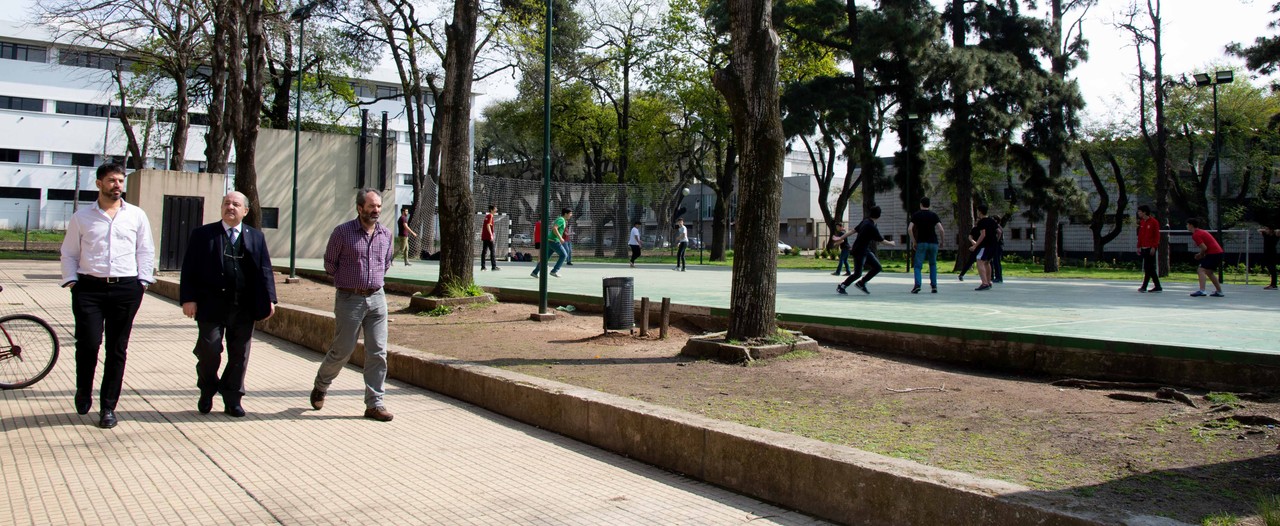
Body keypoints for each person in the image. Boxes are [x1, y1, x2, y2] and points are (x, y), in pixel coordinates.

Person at [60, 163, 155, 429]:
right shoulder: (82, 217)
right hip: (89, 289)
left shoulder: (136, 215)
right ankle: (83, 390)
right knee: (88, 343)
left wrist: (142, 282)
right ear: (99, 183)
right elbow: (68, 253)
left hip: (126, 289)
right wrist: (71, 282)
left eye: (121, 181)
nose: (117, 185)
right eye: (112, 180)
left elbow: (146, 250)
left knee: (117, 348)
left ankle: (108, 407)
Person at [179, 191, 277, 417]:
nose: (230, 207)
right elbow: (189, 268)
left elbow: (265, 270)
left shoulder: (255, 237)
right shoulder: (203, 235)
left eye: (235, 204)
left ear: (245, 211)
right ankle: (207, 388)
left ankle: (233, 398)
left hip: (244, 306)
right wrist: (188, 299)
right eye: (226, 203)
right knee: (209, 350)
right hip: (210, 305)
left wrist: (270, 299)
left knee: (239, 354)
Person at [310, 189, 395, 422]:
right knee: (342, 350)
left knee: (378, 352)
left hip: (377, 299)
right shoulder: (342, 233)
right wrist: (350, 282)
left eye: (378, 206)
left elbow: (386, 262)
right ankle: (321, 384)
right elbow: (330, 264)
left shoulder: (386, 234)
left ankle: (374, 404)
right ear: (360, 208)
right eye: (371, 206)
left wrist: (372, 282)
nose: (376, 210)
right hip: (350, 299)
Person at [836, 206, 895, 295]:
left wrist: (840, 237)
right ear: (879, 216)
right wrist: (891, 243)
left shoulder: (865, 221)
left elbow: (852, 231)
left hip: (865, 250)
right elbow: (882, 240)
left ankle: (861, 283)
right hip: (859, 251)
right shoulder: (871, 226)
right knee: (857, 273)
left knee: (877, 267)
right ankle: (842, 286)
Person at [908, 197, 945, 294]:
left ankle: (917, 285)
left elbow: (909, 229)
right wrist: (942, 241)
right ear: (929, 205)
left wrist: (914, 241)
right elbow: (941, 229)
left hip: (922, 242)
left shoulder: (916, 215)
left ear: (921, 204)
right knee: (933, 264)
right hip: (933, 242)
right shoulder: (934, 215)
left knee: (918, 265)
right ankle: (934, 286)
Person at [1187, 217, 1225, 297]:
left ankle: (1202, 291)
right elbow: (1206, 247)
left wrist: (1200, 255)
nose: (1187, 226)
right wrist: (1201, 254)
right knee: (1209, 272)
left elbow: (1204, 248)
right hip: (1218, 253)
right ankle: (1219, 291)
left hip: (1213, 253)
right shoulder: (1201, 232)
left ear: (1191, 225)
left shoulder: (1196, 234)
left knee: (1201, 270)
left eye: (1187, 224)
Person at [533, 208, 572, 278]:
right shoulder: (561, 220)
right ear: (565, 214)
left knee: (545, 258)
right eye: (570, 213)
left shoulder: (560, 219)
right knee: (564, 255)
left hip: (550, 240)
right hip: (554, 241)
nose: (571, 215)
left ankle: (535, 272)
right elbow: (554, 228)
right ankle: (554, 271)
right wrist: (560, 238)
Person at [970, 204, 999, 291]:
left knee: (979, 261)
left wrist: (975, 245)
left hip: (985, 245)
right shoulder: (992, 221)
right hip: (994, 245)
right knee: (987, 262)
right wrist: (996, 240)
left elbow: (983, 234)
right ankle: (989, 281)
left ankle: (984, 283)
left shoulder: (982, 222)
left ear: (980, 212)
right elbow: (999, 232)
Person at [1136, 205, 1163, 293]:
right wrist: (1139, 246)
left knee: (1149, 267)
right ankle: (1157, 286)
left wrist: (1154, 246)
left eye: (1140, 211)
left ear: (1144, 212)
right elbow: (1140, 235)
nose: (1138, 213)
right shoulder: (1142, 222)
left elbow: (1156, 236)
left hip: (1150, 247)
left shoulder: (1154, 222)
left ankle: (1145, 286)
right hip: (1143, 247)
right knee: (1149, 268)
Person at [480, 205, 500, 271]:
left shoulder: (487, 216)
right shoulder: (490, 216)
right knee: (492, 251)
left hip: (484, 236)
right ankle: (494, 267)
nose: (496, 209)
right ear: (491, 210)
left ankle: (483, 267)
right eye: (495, 208)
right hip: (488, 237)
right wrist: (491, 235)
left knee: (484, 251)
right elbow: (488, 225)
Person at [1260, 224, 1278, 290]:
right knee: (1270, 268)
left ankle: (1273, 285)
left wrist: (1273, 230)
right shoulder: (1265, 235)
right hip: (1266, 254)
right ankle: (1272, 284)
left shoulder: (1275, 235)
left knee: (1272, 269)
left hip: (1272, 254)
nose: (1265, 230)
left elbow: (1278, 231)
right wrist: (1266, 230)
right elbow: (1259, 230)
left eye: (1267, 229)